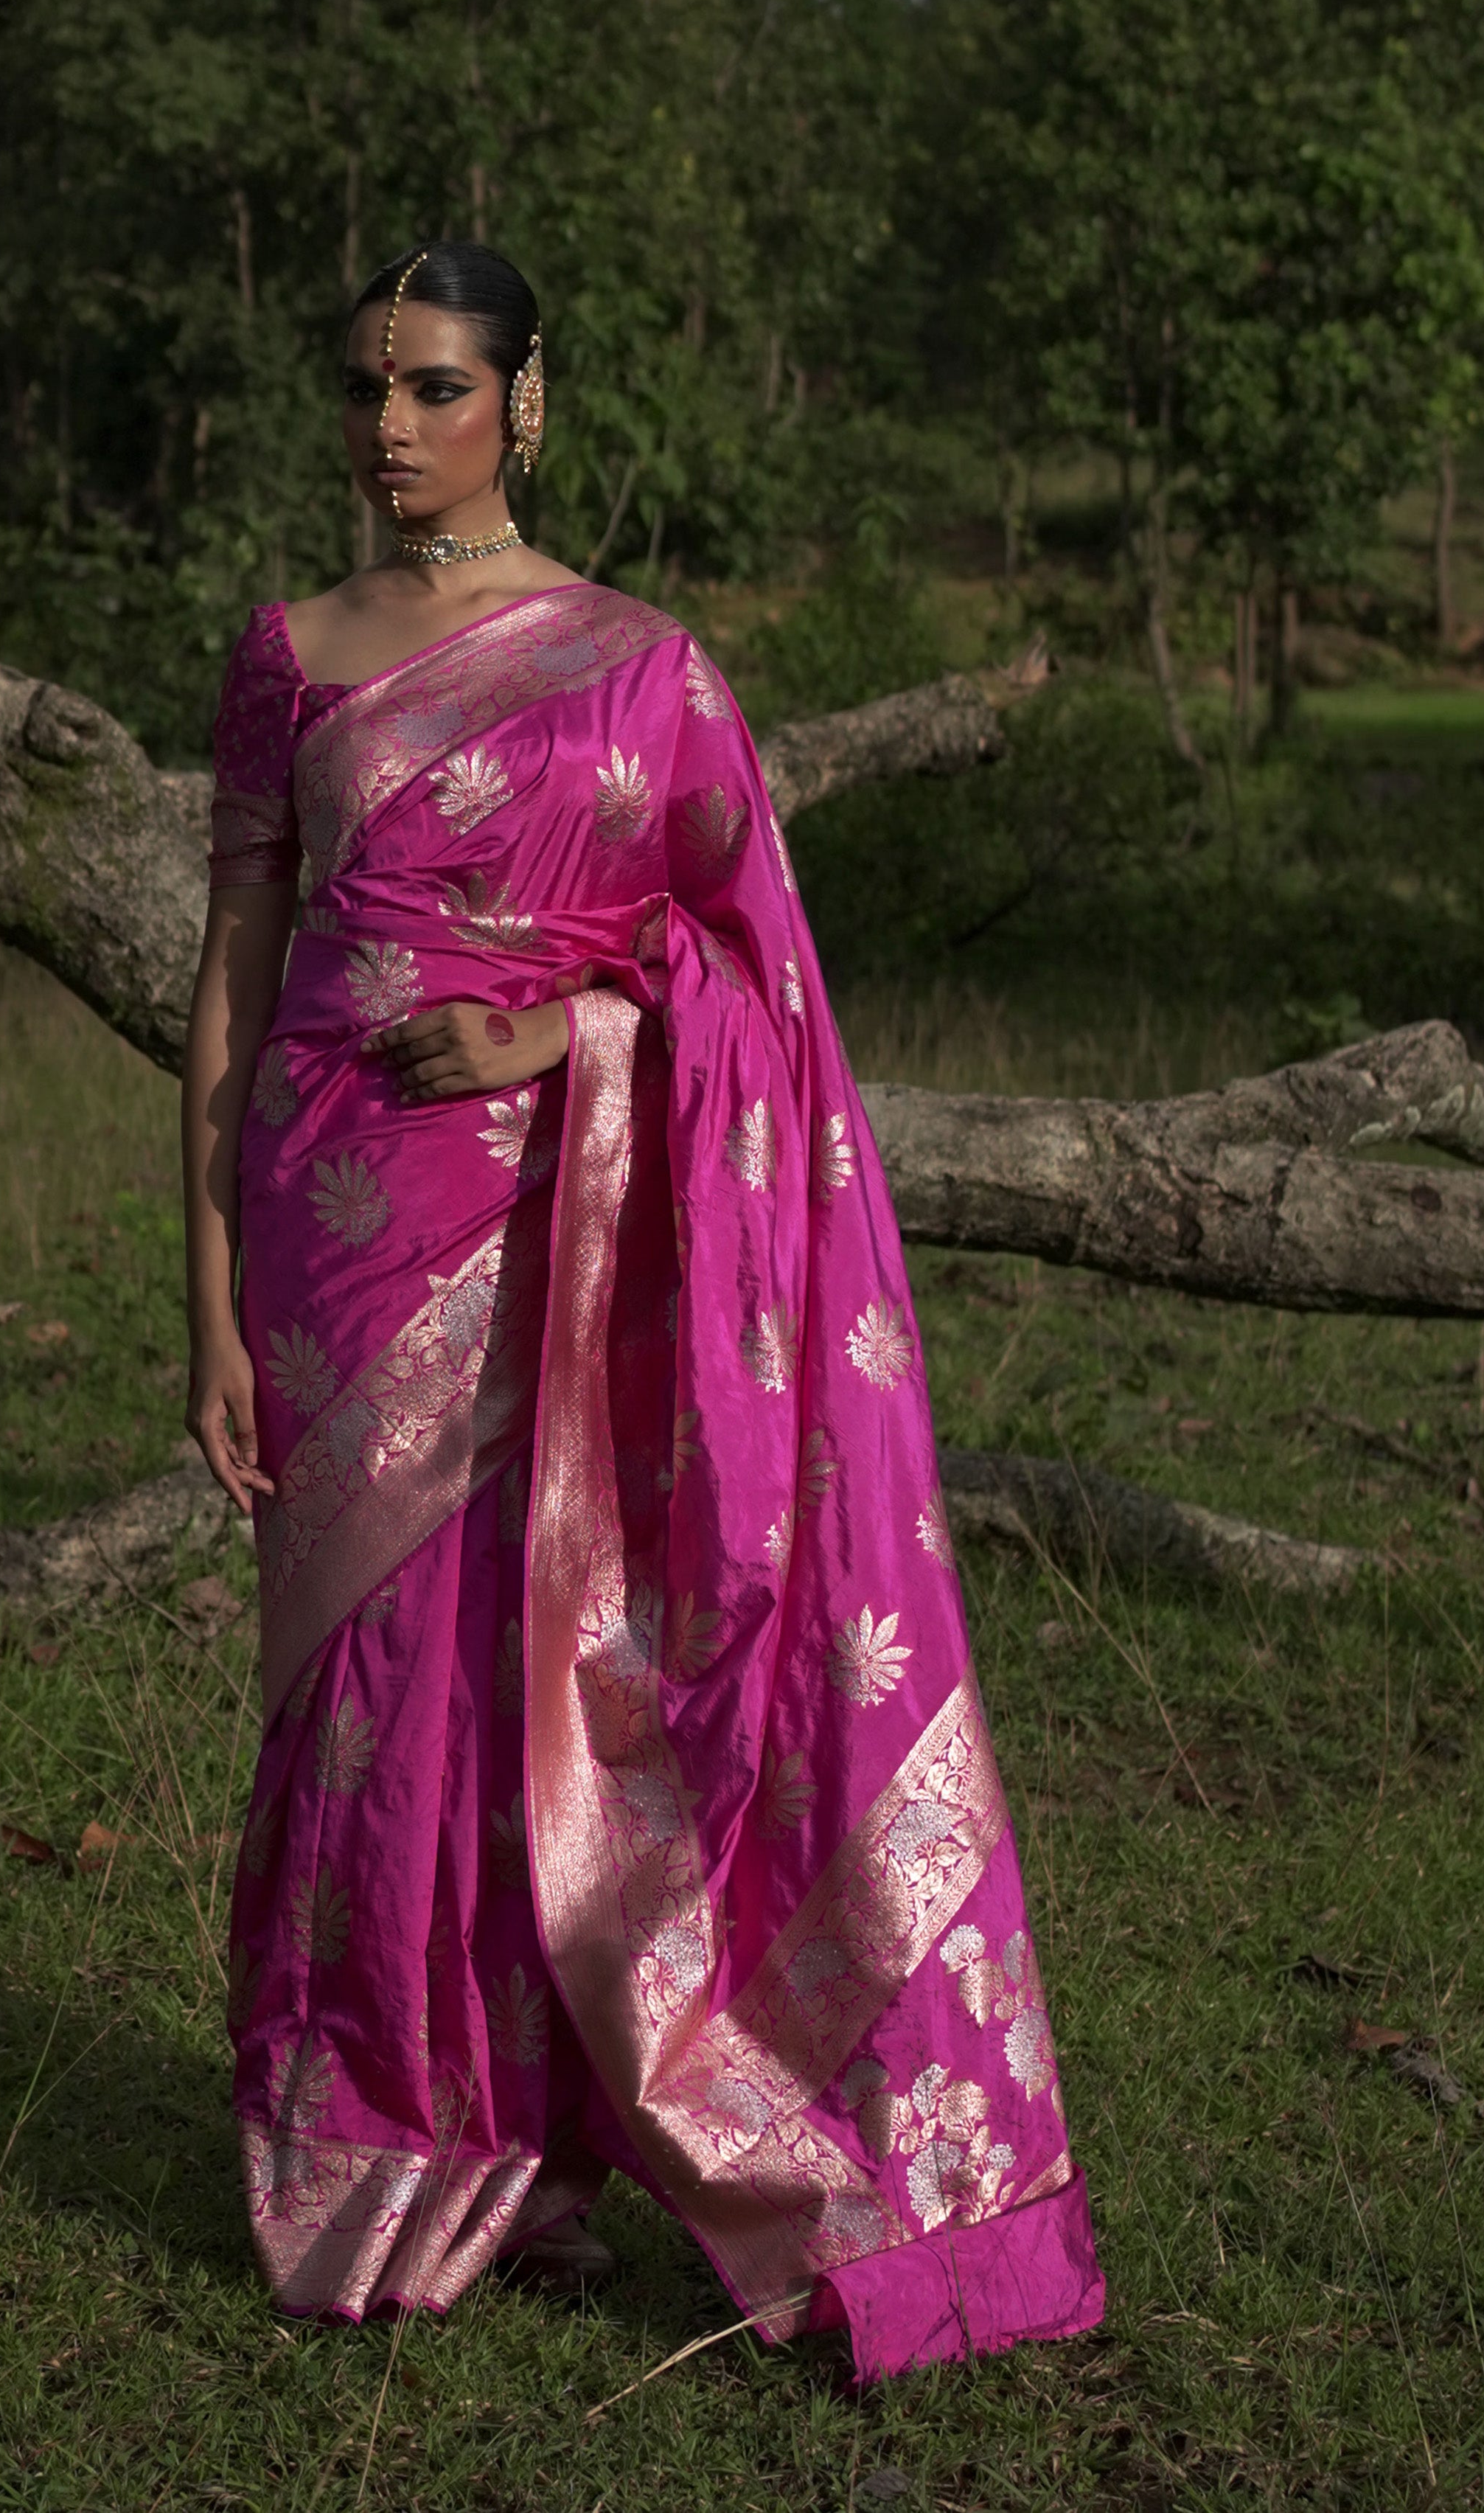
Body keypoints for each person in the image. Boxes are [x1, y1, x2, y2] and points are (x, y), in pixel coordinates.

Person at [181, 240, 1103, 2378]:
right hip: (333, 1240)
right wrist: (209, 1289)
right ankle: (370, 2143)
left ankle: (536, 2153)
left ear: (528, 397)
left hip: (569, 1235)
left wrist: (565, 1040)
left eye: (430, 385)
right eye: (363, 388)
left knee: (542, 1687)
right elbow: (233, 989)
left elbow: (759, 983)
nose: (387, 427)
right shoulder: (290, 656)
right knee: (364, 1702)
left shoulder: (644, 666)